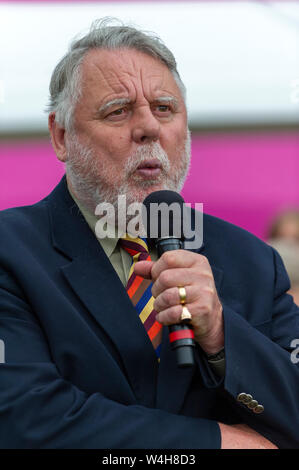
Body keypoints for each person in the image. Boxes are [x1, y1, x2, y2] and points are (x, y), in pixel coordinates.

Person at [0, 18, 298, 450]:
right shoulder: (12, 251)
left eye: (164, 108)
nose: (149, 128)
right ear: (61, 136)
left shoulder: (252, 260)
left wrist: (221, 337)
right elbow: (26, 417)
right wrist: (214, 444)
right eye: (118, 110)